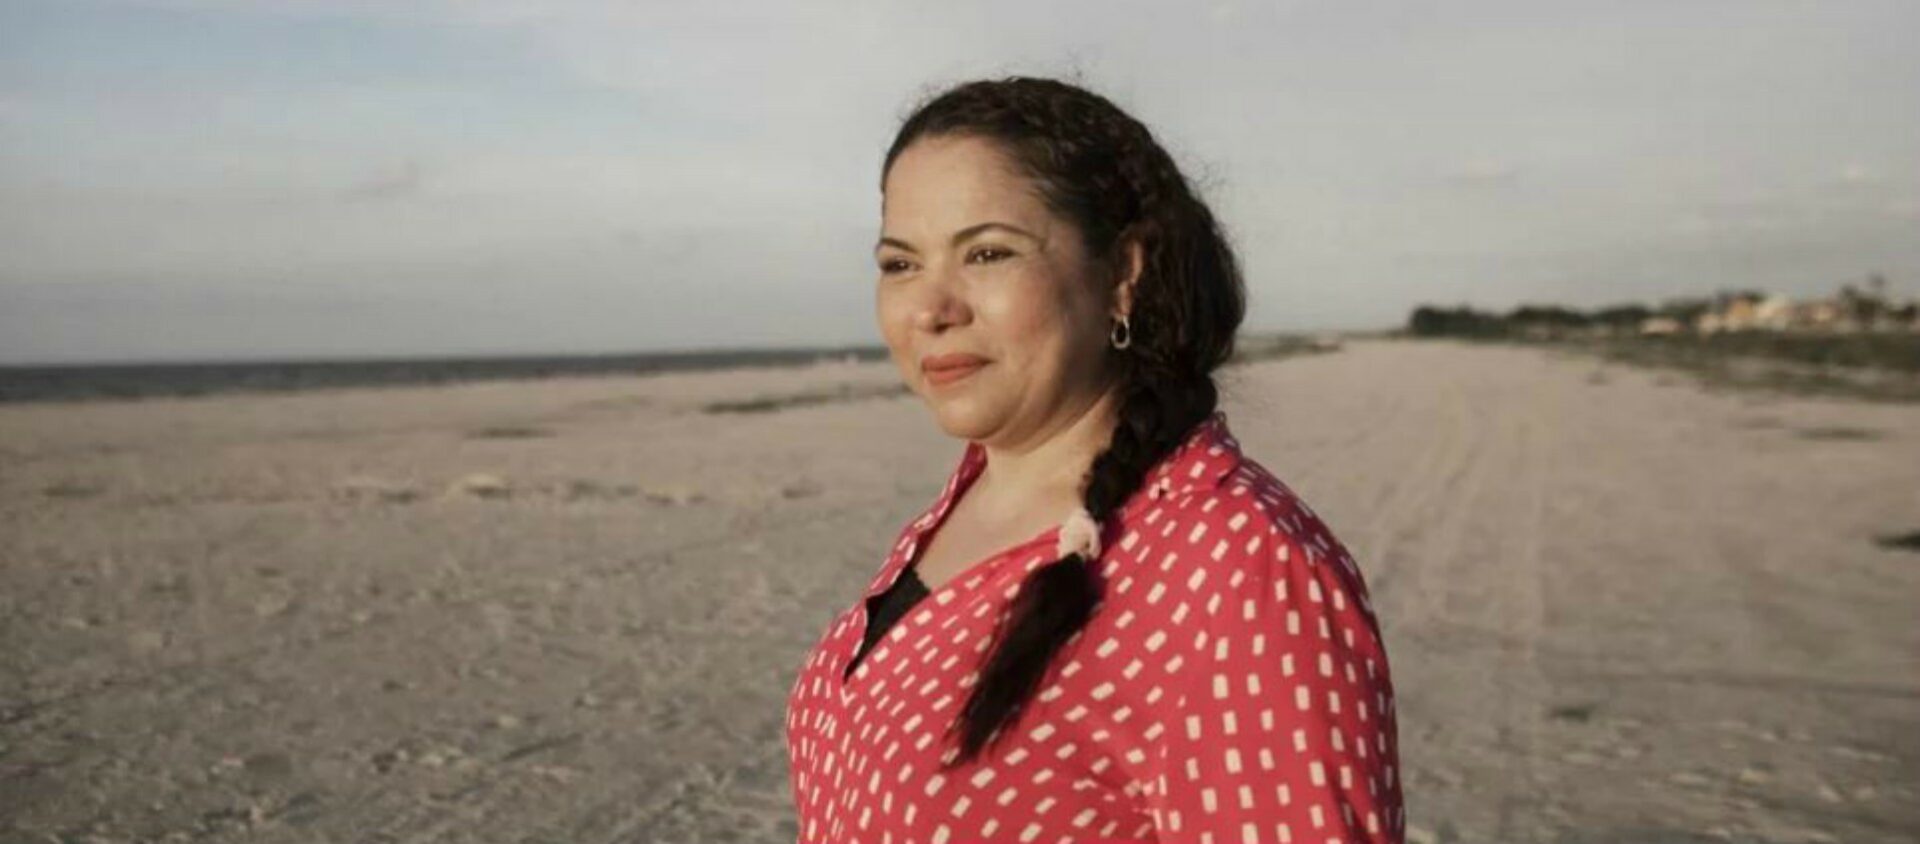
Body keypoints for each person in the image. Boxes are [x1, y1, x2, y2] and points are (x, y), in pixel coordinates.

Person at [784, 76, 1404, 844]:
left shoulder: (1236, 565)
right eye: (900, 264)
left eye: (986, 253)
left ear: (1123, 275)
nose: (931, 310)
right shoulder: (964, 503)